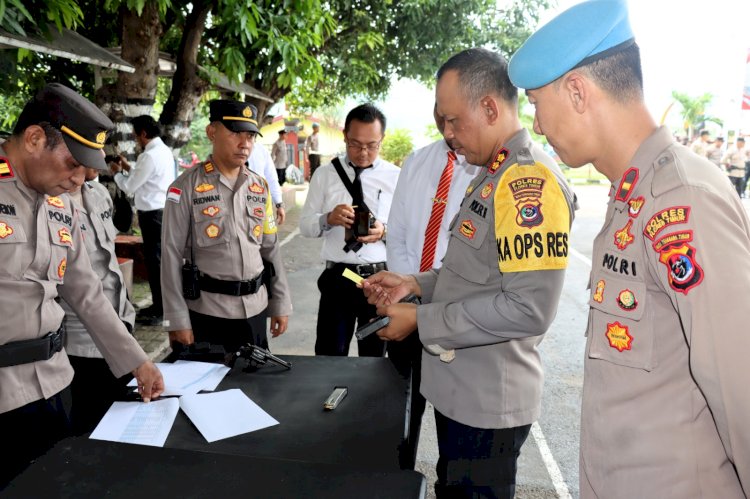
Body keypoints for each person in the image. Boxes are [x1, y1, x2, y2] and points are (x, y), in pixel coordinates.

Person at [508, 0, 750, 496]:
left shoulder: (681, 199)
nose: (535, 123)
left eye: (535, 102)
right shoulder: (630, 194)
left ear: (576, 91)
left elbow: (740, 388)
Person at [363, 49, 576, 498]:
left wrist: (420, 319)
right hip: (463, 394)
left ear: (490, 108)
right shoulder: (490, 174)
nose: (449, 134)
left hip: (488, 403)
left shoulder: (526, 184)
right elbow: (469, 276)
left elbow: (528, 308)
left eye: (454, 120)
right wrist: (412, 283)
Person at [0, 83, 163, 488]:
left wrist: (136, 360)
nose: (80, 179)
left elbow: (85, 291)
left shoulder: (62, 199)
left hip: (56, 382)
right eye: (73, 163)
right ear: (35, 139)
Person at [385, 104, 480, 469]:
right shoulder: (418, 161)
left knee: (453, 432)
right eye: (441, 116)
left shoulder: (486, 167)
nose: (447, 126)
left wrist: (429, 305)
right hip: (407, 306)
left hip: (453, 316)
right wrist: (406, 291)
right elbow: (398, 235)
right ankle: (398, 479)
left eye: (453, 117)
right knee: (400, 418)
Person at [161, 100, 292, 356]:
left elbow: (270, 249)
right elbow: (170, 255)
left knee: (255, 388)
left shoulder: (259, 187)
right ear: (212, 132)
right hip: (207, 314)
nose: (245, 143)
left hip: (256, 311)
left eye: (251, 136)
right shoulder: (184, 188)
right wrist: (176, 321)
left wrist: (280, 302)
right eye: (235, 133)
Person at [299, 103, 399, 357]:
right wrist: (328, 219)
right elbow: (306, 226)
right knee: (329, 356)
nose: (363, 152)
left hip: (379, 281)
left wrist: (384, 232)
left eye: (372, 145)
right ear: (344, 135)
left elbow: (410, 230)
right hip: (338, 279)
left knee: (376, 358)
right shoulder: (324, 175)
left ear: (382, 139)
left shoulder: (396, 176)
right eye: (355, 144)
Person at [61, 167, 136, 435]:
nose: (102, 160)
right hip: (80, 342)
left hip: (120, 329)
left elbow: (110, 262)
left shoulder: (99, 193)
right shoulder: (51, 201)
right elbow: (81, 289)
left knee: (124, 429)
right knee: (90, 430)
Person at [110, 115, 176, 324]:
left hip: (152, 216)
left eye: (136, 135)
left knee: (154, 263)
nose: (136, 139)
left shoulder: (148, 156)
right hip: (163, 212)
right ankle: (162, 306)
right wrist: (128, 168)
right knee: (160, 262)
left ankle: (159, 310)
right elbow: (146, 177)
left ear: (144, 134)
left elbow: (130, 187)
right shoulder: (163, 151)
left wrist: (116, 174)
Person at [248, 139, 286, 225]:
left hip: (261, 204)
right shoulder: (230, 149)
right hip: (239, 205)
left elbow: (271, 178)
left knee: (268, 236)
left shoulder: (261, 149)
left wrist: (279, 204)